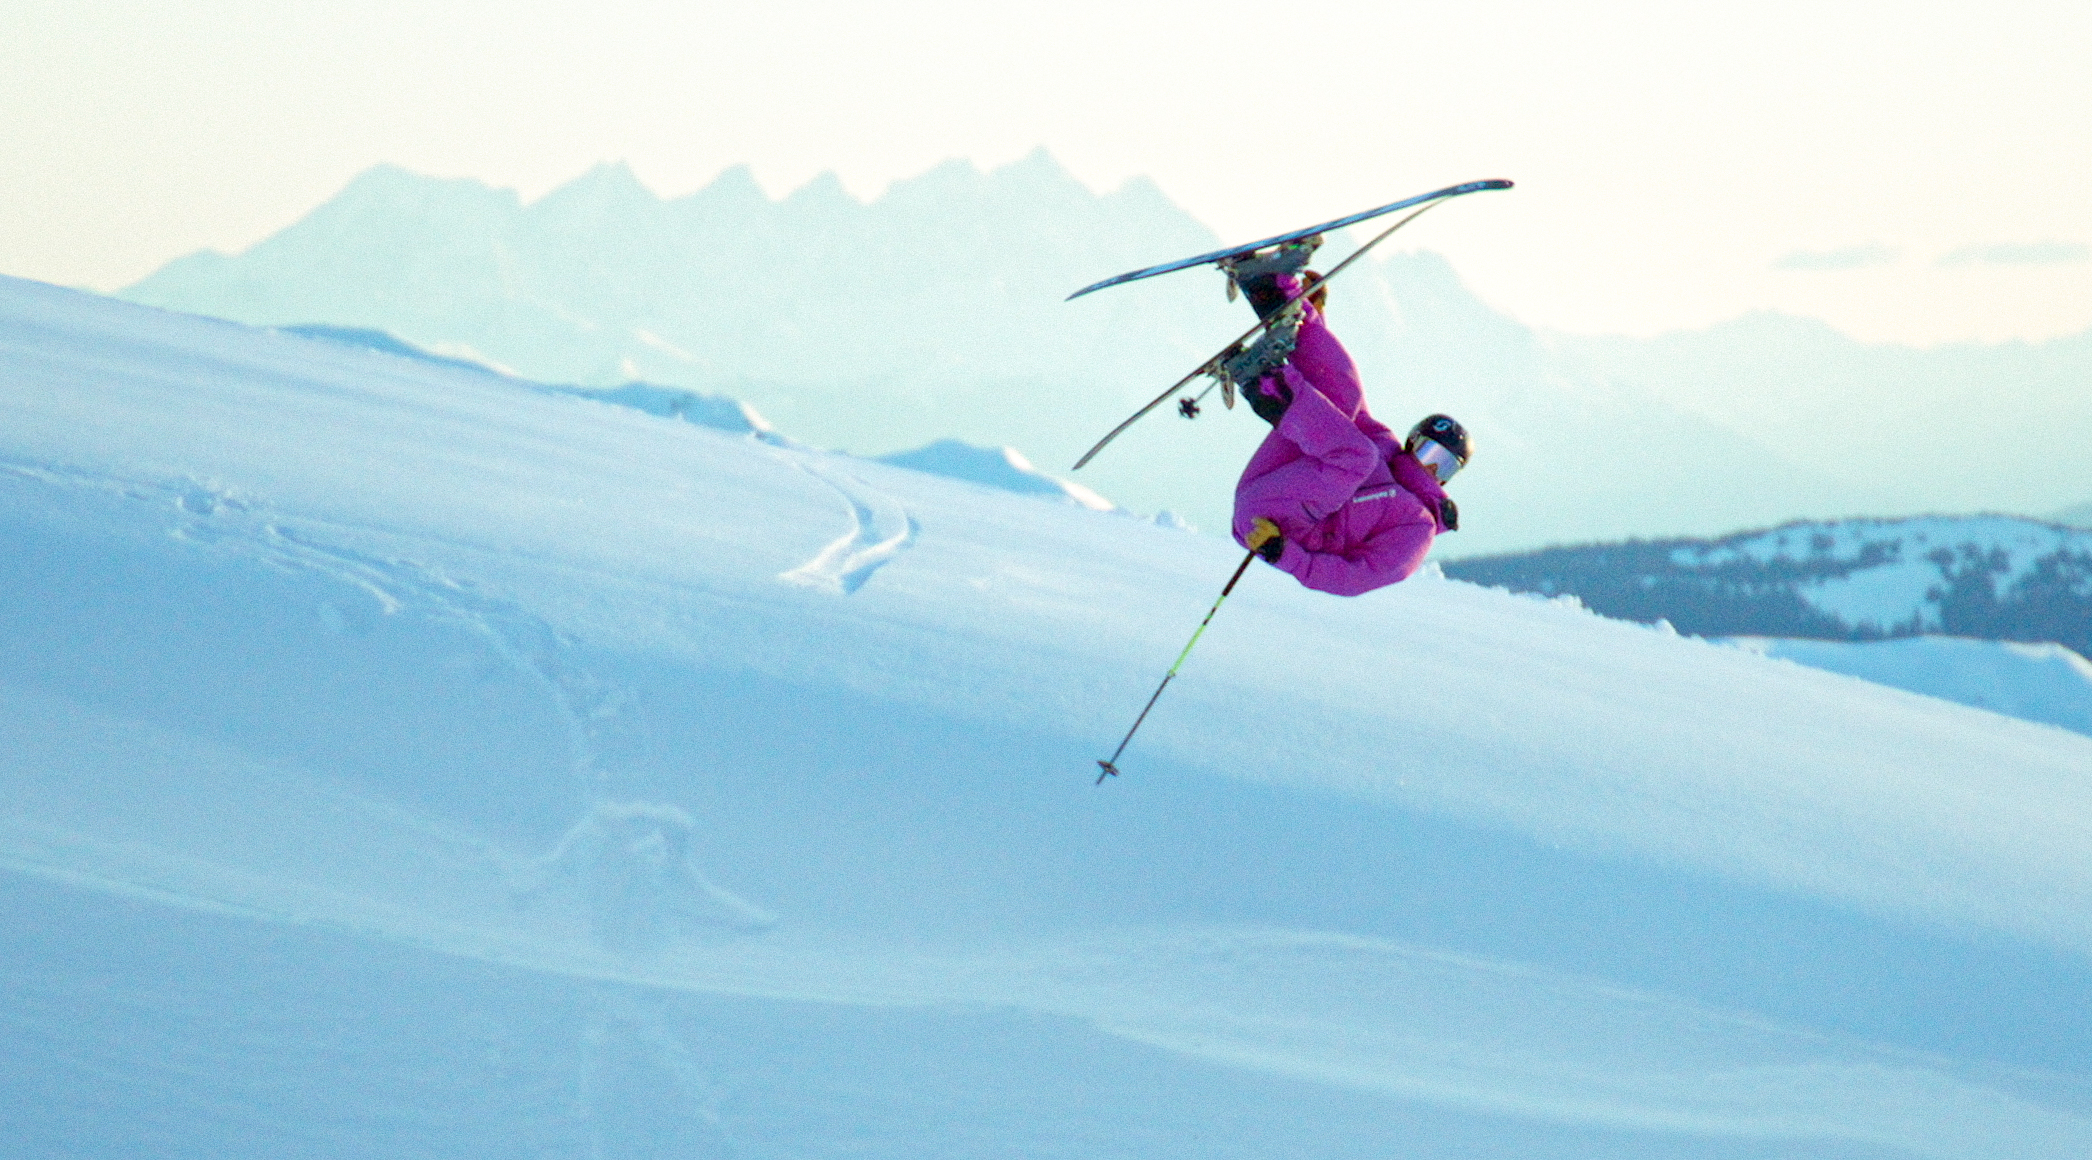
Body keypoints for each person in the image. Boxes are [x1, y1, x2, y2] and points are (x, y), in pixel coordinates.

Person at [1220, 239, 1469, 597]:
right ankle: (1274, 291)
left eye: (1445, 466)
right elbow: (1331, 395)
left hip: (1272, 525)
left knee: (1358, 457)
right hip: (1275, 483)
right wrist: (1316, 321)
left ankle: (1264, 381)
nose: (1431, 468)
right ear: (1412, 441)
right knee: (1346, 398)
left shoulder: (1418, 526)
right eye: (1430, 452)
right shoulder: (1383, 447)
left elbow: (1355, 578)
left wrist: (1284, 554)